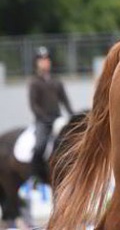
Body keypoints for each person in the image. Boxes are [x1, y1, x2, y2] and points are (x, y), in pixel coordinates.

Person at [28, 46, 73, 182]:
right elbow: (33, 105)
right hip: (43, 121)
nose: (45, 62)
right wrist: (44, 118)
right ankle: (36, 176)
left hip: (57, 119)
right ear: (36, 63)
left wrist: (72, 115)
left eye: (47, 59)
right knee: (39, 146)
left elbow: (65, 101)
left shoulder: (56, 81)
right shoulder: (34, 83)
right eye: (41, 60)